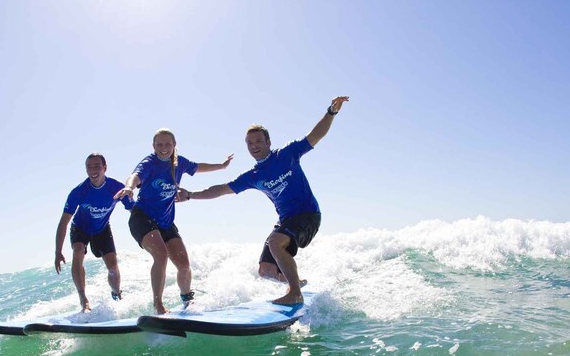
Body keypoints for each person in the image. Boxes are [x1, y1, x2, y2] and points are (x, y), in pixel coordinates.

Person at [176, 96, 350, 305]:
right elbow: (221, 190)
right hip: (286, 220)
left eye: (259, 141)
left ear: (268, 142)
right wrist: (190, 195)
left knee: (276, 243)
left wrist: (331, 112)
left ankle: (294, 293)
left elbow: (316, 135)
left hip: (308, 214)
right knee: (266, 270)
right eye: (250, 143)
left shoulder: (287, 154)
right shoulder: (253, 176)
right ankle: (295, 282)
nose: (254, 145)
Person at [113, 128, 233, 314]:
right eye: (159, 144)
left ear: (174, 145)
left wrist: (222, 166)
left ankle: (187, 301)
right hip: (142, 218)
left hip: (166, 222)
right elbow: (135, 176)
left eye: (168, 144)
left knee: (184, 265)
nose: (164, 148)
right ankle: (158, 305)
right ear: (153, 146)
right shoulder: (149, 163)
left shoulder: (179, 162)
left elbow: (199, 167)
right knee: (161, 256)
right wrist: (129, 187)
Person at [55, 153, 134, 312]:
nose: (93, 170)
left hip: (102, 229)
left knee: (112, 267)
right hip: (80, 228)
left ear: (105, 168)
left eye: (97, 166)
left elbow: (135, 210)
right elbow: (63, 222)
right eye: (89, 167)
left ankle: (116, 293)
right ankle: (83, 299)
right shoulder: (79, 192)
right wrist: (58, 251)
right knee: (78, 252)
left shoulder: (116, 188)